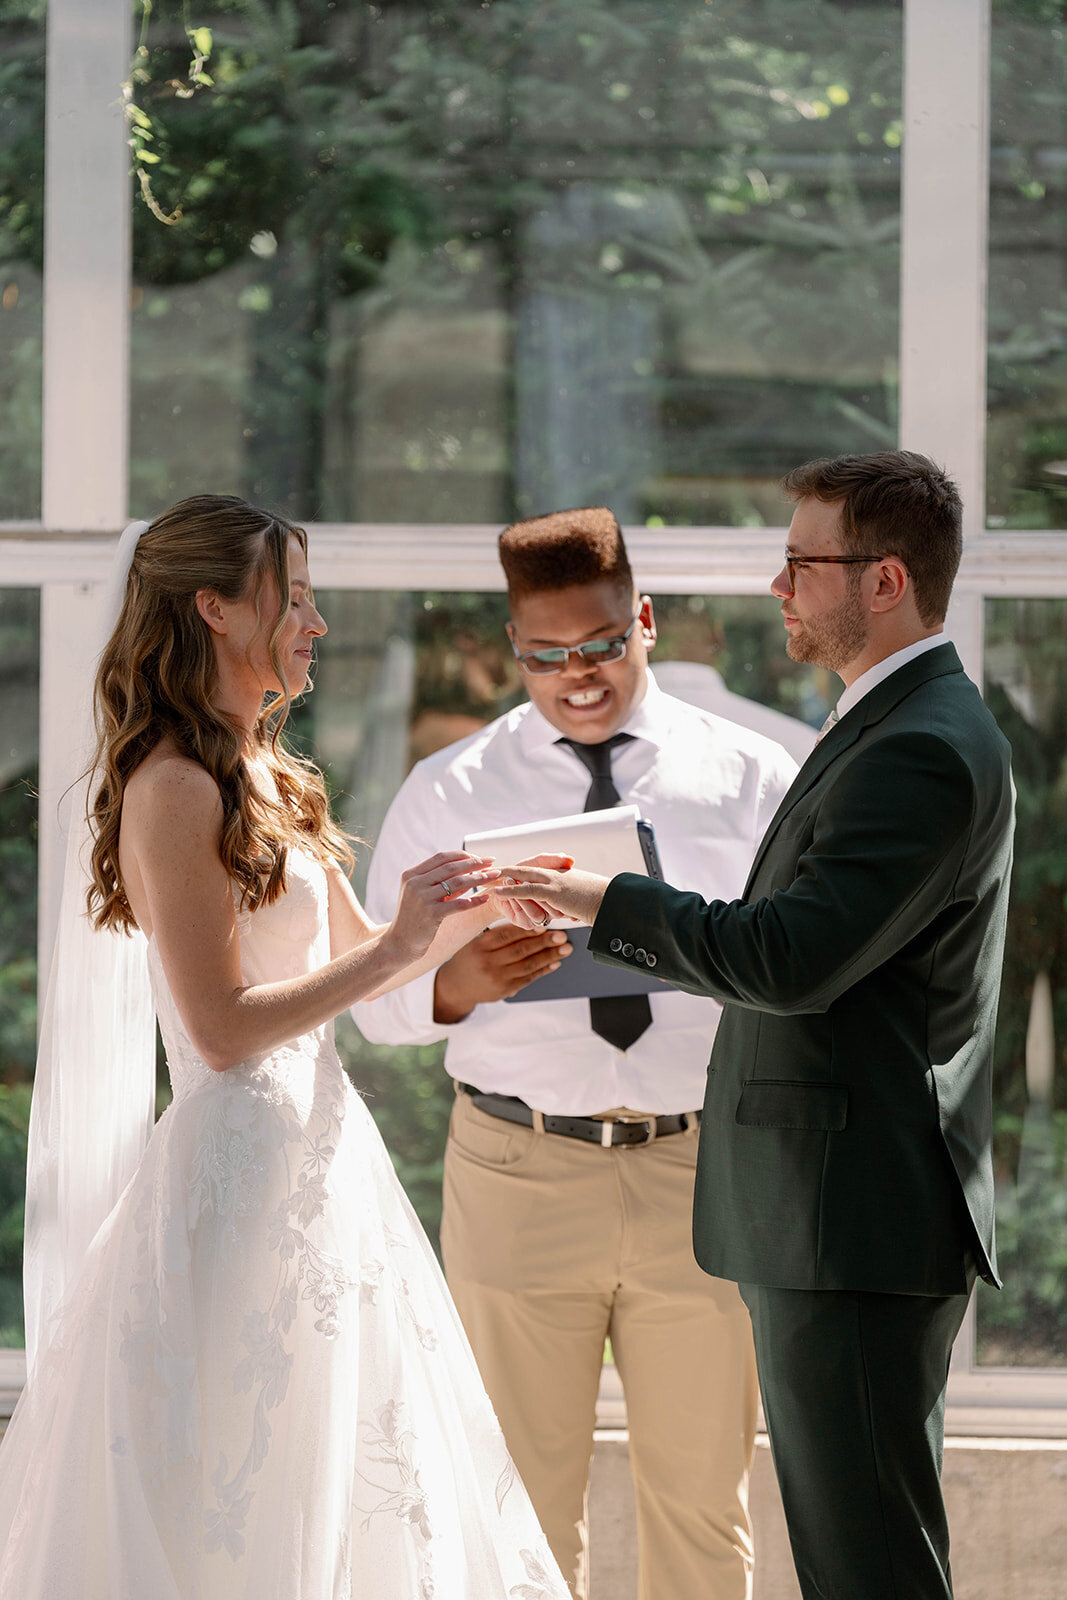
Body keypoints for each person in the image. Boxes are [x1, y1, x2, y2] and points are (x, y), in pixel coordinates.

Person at [0, 495, 572, 1600]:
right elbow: (219, 1030)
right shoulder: (173, 786)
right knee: (241, 1480)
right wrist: (405, 938)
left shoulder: (271, 774)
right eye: (293, 597)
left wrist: (485, 904)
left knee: (352, 1467)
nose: (315, 621)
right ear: (214, 607)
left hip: (325, 1162)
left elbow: (362, 961)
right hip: (237, 1178)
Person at [492, 452, 1015, 1600]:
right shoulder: (887, 720)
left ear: (882, 580)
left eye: (798, 562)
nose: (776, 587)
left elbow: (787, 957)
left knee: (867, 1562)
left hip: (852, 1216)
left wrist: (596, 903)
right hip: (834, 1213)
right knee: (854, 1553)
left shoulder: (918, 744)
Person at [353, 506, 798, 1600]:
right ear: (512, 653)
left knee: (701, 1511)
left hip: (701, 1169)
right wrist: (463, 982)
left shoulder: (751, 775)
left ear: (641, 621)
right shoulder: (450, 790)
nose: (577, 676)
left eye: (600, 644)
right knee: (513, 1512)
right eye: (546, 656)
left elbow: (799, 970)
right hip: (515, 1171)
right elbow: (376, 1008)